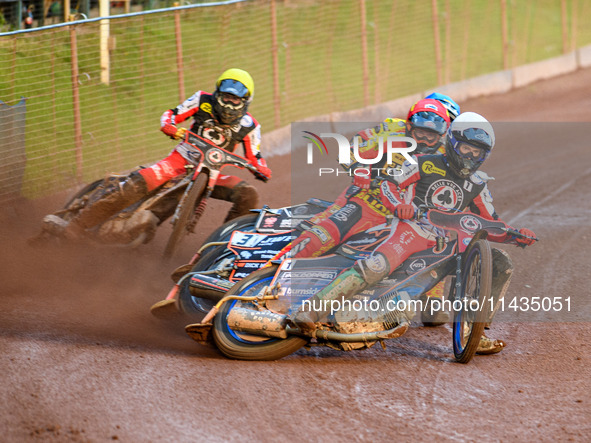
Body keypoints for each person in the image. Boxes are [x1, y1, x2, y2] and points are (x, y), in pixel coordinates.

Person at [293, 112, 537, 355]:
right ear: (452, 143)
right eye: (466, 148)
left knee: (500, 263)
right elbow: (389, 183)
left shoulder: (478, 184)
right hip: (411, 231)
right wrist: (399, 204)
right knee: (376, 266)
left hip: (446, 246)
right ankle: (311, 310)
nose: (470, 156)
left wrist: (515, 236)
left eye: (477, 153)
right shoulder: (424, 162)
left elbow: (491, 223)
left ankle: (476, 332)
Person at [44, 68, 271, 239]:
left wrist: (261, 168)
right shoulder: (202, 100)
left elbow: (256, 155)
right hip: (179, 161)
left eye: (235, 99)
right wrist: (171, 127)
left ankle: (223, 246)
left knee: (248, 194)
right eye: (225, 97)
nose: (229, 104)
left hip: (213, 173)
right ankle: (76, 226)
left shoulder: (251, 126)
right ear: (217, 93)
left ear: (245, 101)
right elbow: (171, 114)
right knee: (136, 184)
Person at [291, 98, 451, 258]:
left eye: (431, 136)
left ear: (442, 135)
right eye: (420, 133)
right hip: (372, 203)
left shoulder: (446, 157)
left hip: (414, 218)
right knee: (323, 232)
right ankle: (279, 261)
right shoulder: (390, 138)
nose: (424, 141)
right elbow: (349, 152)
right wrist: (360, 169)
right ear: (409, 127)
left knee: (437, 253)